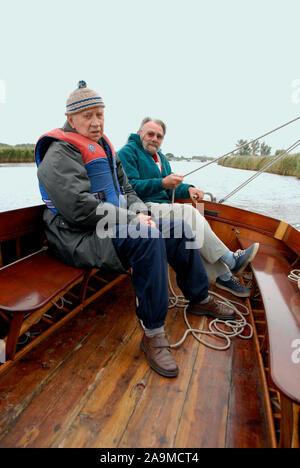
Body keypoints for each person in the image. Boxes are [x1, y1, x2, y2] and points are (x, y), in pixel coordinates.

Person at [35, 81, 238, 379]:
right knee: (148, 237)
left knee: (178, 228)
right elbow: (77, 208)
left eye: (100, 114)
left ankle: (199, 297)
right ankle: (154, 332)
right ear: (70, 116)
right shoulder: (59, 152)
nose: (96, 122)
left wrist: (141, 213)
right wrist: (133, 222)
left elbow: (127, 190)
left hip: (107, 224)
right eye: (88, 115)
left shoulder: (104, 146)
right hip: (76, 234)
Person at [118, 117, 259, 297]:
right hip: (142, 208)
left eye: (159, 136)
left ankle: (223, 276)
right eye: (150, 134)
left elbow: (171, 189)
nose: (154, 139)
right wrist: (162, 182)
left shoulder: (160, 157)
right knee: (190, 213)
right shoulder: (127, 153)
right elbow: (131, 187)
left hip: (163, 206)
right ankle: (230, 260)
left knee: (194, 227)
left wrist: (189, 188)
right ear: (140, 134)